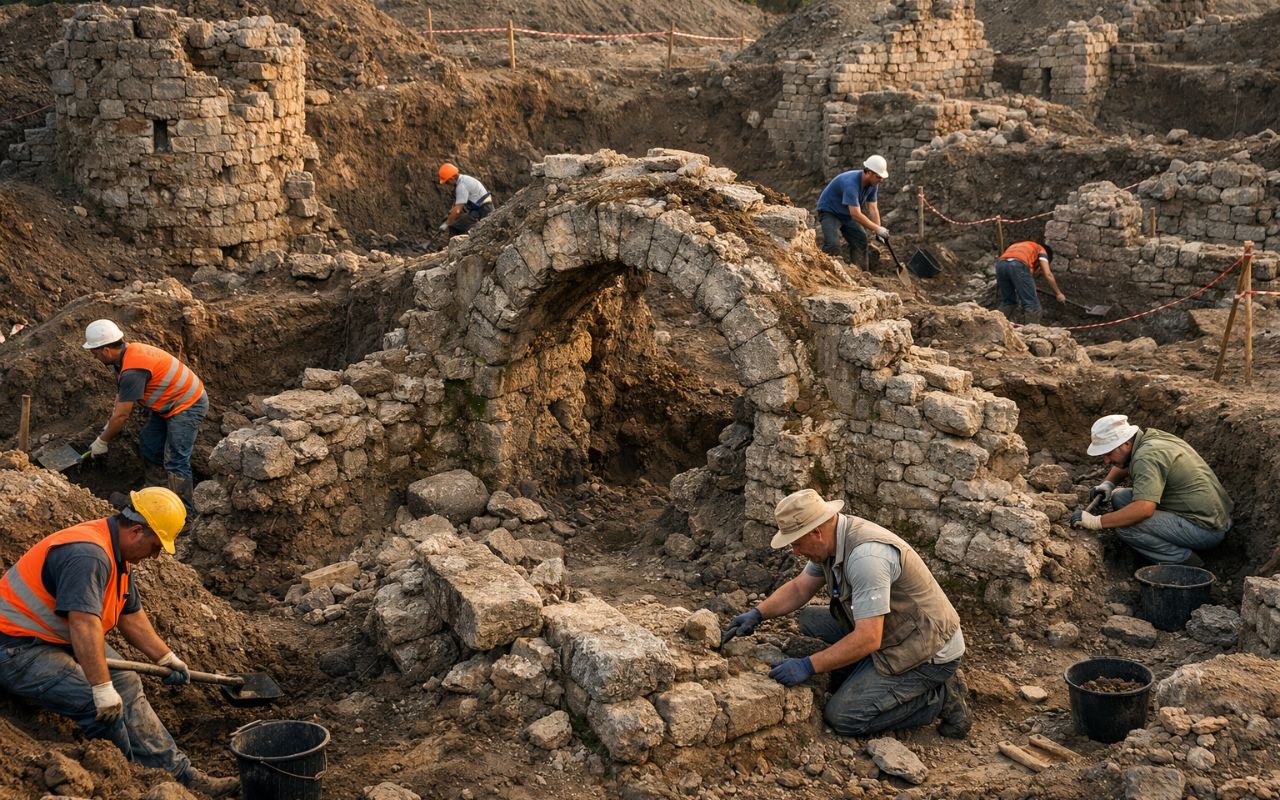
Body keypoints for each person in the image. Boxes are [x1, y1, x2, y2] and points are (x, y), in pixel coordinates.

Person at [0, 488, 238, 797]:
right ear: (137, 531)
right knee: (96, 702)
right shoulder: (89, 555)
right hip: (16, 648)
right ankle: (130, 778)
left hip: (54, 637)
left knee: (125, 681)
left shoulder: (117, 552)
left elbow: (130, 615)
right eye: (155, 546)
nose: (155, 555)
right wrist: (100, 689)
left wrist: (166, 657)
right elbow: (84, 624)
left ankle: (179, 774)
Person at [724, 489, 972, 739]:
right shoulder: (832, 542)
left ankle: (938, 698)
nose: (796, 552)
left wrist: (808, 665)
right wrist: (758, 613)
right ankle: (864, 669)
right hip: (892, 628)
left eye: (797, 543)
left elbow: (869, 638)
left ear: (816, 532)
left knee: (843, 717)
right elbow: (800, 588)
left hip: (927, 649)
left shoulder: (867, 558)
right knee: (810, 619)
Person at [81, 319, 207, 513]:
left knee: (176, 458)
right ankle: (156, 493)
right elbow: (121, 397)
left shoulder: (133, 369)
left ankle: (183, 513)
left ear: (106, 350)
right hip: (167, 403)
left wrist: (102, 441)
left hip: (188, 404)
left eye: (95, 352)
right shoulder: (122, 358)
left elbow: (123, 415)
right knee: (149, 444)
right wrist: (109, 424)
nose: (94, 356)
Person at [1073, 415, 1233, 566]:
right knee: (1119, 497)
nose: (1106, 460)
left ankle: (1186, 563)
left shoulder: (1146, 457)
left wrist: (1096, 521)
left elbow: (1143, 509)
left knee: (1126, 528)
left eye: (1108, 453)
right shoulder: (1150, 439)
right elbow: (1126, 461)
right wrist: (1108, 484)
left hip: (1205, 529)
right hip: (1213, 516)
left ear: (1126, 444)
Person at [815, 155, 889, 267]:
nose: (881, 180)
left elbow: (873, 208)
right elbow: (855, 214)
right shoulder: (851, 184)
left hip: (846, 213)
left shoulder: (873, 184)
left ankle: (861, 273)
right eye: (879, 177)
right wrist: (877, 228)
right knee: (833, 245)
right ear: (869, 172)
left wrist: (877, 230)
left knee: (861, 240)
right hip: (830, 211)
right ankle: (820, 270)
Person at [994, 241, 1066, 325]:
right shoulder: (1041, 250)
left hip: (1000, 265)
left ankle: (994, 326)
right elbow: (1048, 274)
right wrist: (1058, 293)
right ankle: (1031, 334)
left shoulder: (1022, 246)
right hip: (1018, 265)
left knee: (1008, 302)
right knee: (1032, 305)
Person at [438, 163, 495, 237]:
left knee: (455, 227)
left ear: (452, 179)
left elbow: (458, 210)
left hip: (483, 210)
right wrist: (450, 214)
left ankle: (455, 247)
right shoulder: (464, 179)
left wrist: (446, 223)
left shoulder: (461, 186)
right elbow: (456, 205)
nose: (448, 184)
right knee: (461, 226)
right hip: (481, 209)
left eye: (447, 182)